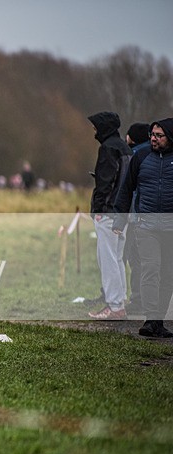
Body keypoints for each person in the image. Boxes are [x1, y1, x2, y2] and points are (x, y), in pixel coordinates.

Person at [113, 118, 173, 338]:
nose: (154, 139)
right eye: (152, 135)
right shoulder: (141, 156)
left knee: (168, 274)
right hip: (146, 226)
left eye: (159, 135)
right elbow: (126, 189)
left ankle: (158, 321)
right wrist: (119, 220)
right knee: (151, 269)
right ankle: (150, 319)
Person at [86, 111, 132, 320]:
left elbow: (105, 183)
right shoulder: (124, 147)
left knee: (108, 259)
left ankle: (114, 306)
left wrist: (97, 210)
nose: (93, 131)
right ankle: (119, 302)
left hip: (108, 213)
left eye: (96, 127)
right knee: (118, 258)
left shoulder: (107, 149)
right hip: (123, 212)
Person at [123, 122, 150, 313]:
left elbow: (128, 189)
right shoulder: (155, 155)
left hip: (136, 217)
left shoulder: (135, 157)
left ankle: (138, 300)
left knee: (135, 259)